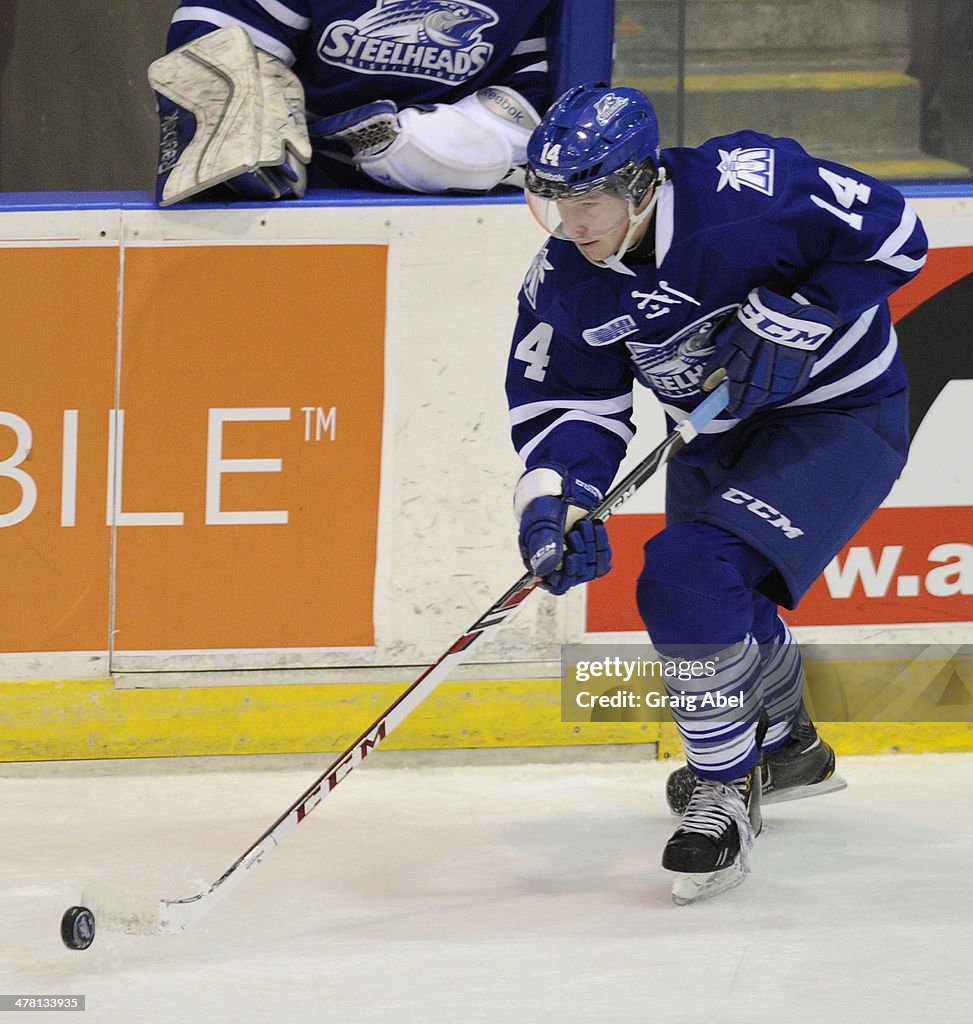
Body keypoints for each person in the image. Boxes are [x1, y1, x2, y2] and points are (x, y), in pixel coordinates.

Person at [506, 84, 927, 904]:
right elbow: (569, 405)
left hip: (838, 415)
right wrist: (560, 499)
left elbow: (895, 235)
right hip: (714, 431)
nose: (574, 222)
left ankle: (722, 787)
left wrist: (804, 310)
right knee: (720, 598)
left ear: (639, 182)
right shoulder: (565, 277)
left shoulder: (748, 185)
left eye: (589, 197)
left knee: (683, 576)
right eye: (556, 200)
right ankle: (785, 745)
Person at [148, 0, 560, 206]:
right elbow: (212, 58)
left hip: (453, 214)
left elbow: (530, 110)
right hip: (297, 198)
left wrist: (428, 146)